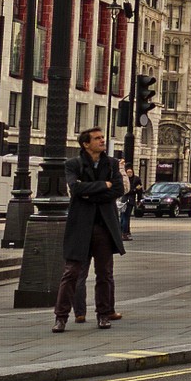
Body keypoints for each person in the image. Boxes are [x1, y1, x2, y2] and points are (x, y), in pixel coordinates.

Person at [53, 127, 126, 332]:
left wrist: (89, 193)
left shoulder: (111, 164)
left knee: (104, 273)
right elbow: (75, 189)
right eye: (97, 138)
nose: (102, 141)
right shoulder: (73, 164)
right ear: (86, 144)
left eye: (102, 137)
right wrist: (104, 185)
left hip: (103, 226)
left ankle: (103, 315)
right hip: (80, 227)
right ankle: (61, 317)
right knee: (71, 273)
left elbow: (118, 190)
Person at [117, 160, 140, 241]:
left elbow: (140, 190)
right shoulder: (124, 180)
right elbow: (126, 191)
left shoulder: (136, 179)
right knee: (124, 217)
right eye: (128, 172)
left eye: (131, 172)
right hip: (125, 201)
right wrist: (134, 190)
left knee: (125, 217)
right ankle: (124, 233)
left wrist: (139, 199)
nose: (129, 173)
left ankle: (124, 232)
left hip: (130, 201)